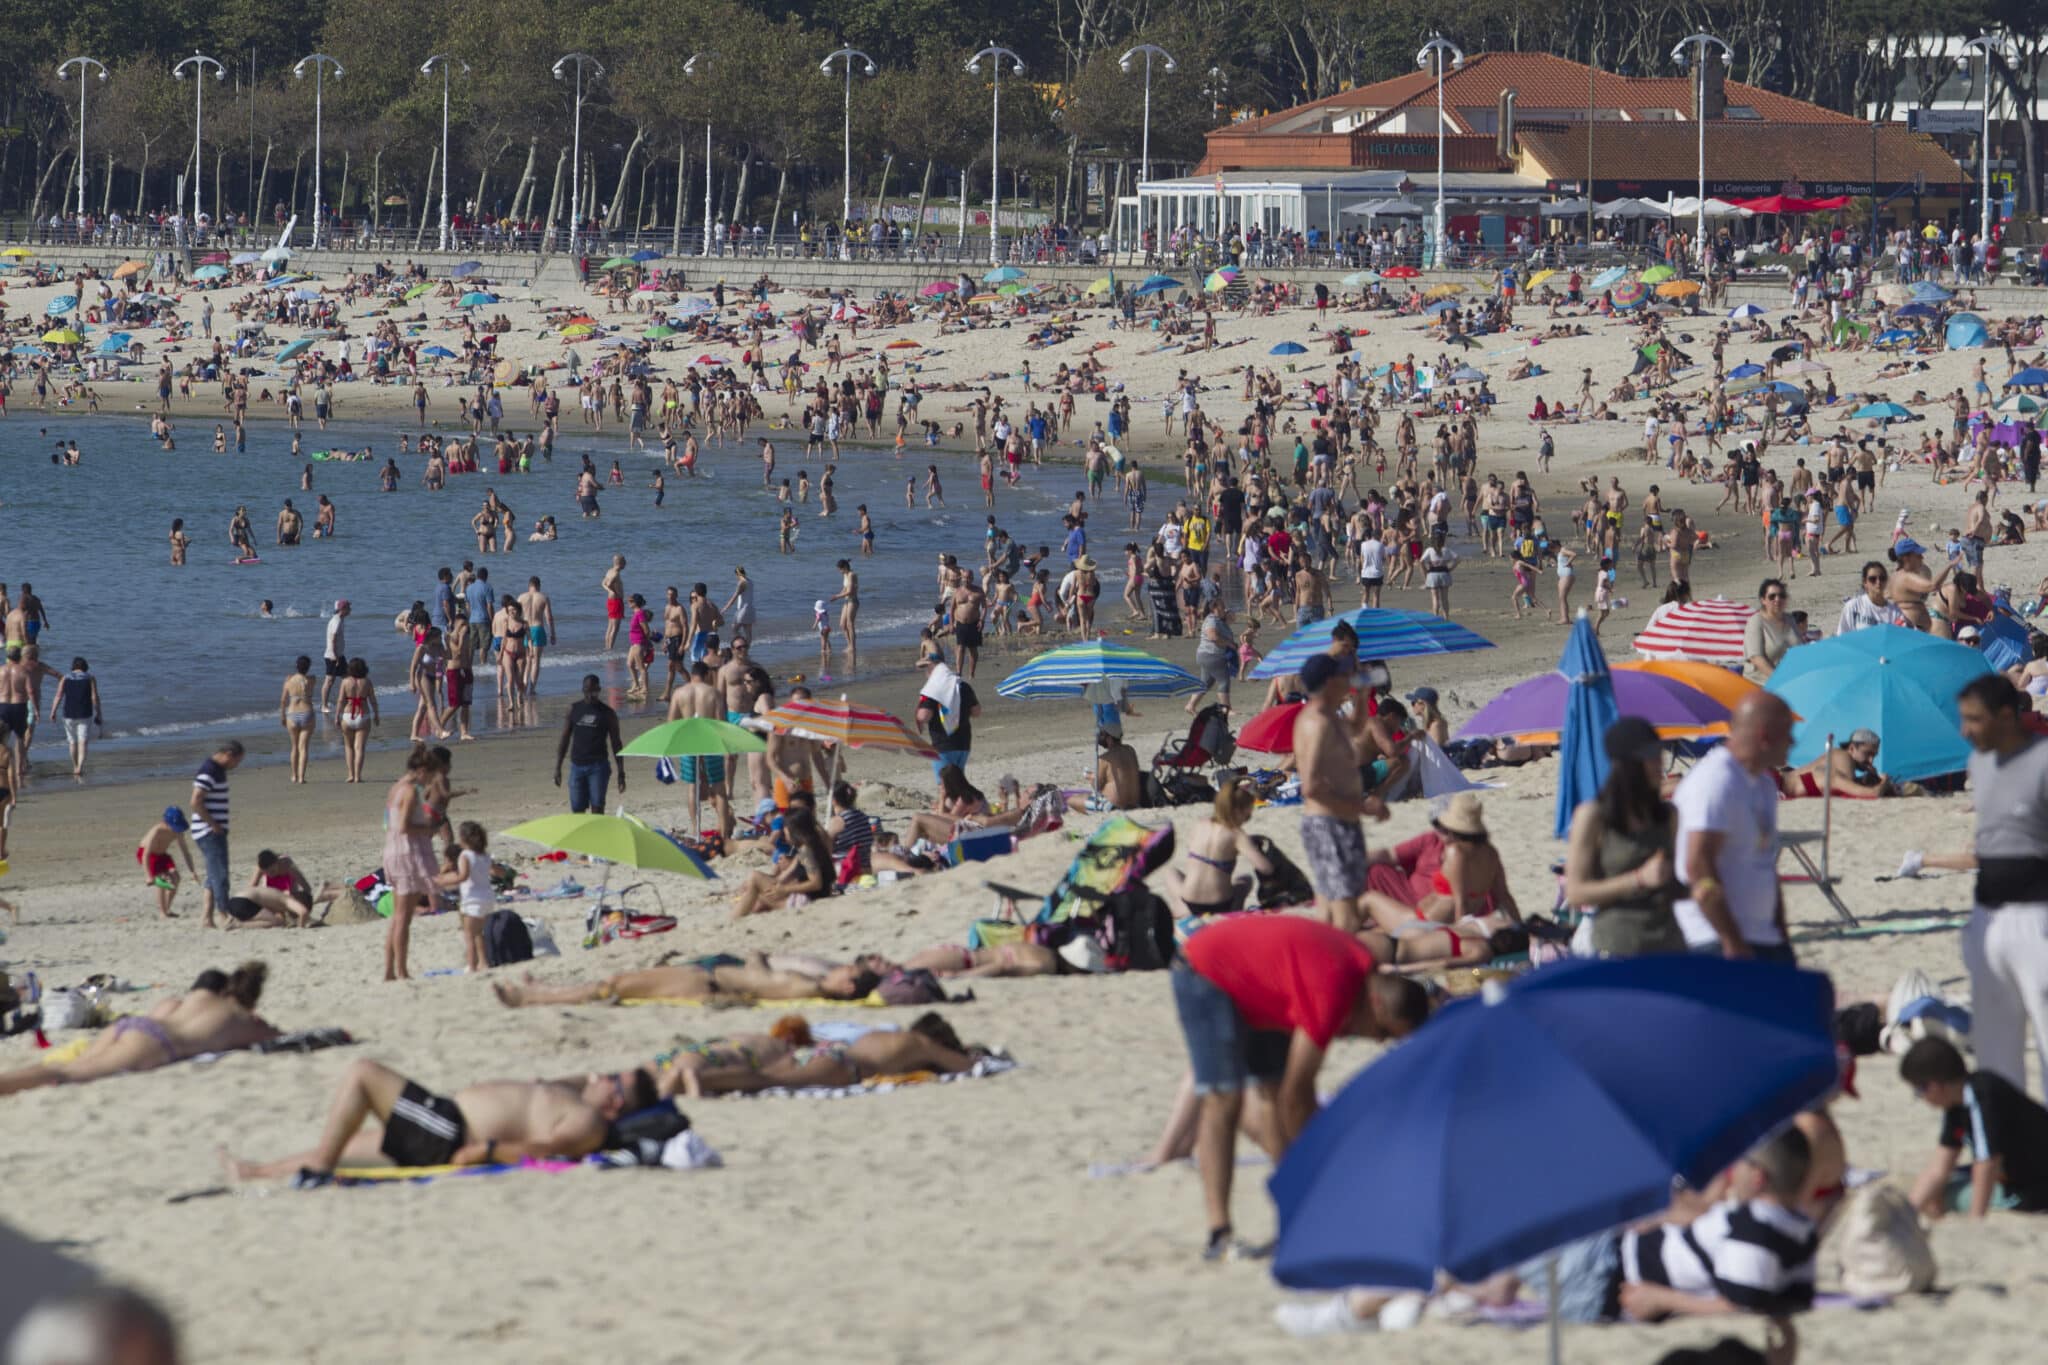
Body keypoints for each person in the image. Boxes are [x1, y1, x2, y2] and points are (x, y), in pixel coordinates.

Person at [1171, 914, 1429, 1259]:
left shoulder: (1357, 968)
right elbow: (1299, 1095)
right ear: (1377, 1005)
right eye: (1383, 1032)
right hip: (1204, 970)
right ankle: (1220, 1233)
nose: (1376, 1040)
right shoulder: (1333, 993)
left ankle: (1299, 1213)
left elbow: (1292, 1098)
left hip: (1261, 984)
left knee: (1271, 1092)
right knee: (1223, 1098)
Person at [1898, 676, 2048, 1096]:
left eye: (1974, 720)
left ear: (2005, 716)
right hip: (1986, 919)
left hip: (2037, 917)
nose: (1964, 730)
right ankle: (2004, 1150)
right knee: (1995, 1054)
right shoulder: (1979, 763)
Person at [222, 1057, 656, 1186]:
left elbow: (546, 1152)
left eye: (612, 1079)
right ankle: (259, 1172)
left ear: (616, 1102)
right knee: (348, 1147)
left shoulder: (589, 1122)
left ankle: (313, 1172)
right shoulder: (580, 1097)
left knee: (362, 1073)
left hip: (451, 1134)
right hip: (443, 1123)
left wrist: (485, 1152)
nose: (602, 1076)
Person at [0, 965, 276, 1097]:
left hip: (134, 1026)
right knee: (64, 1074)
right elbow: (277, 1036)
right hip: (155, 1042)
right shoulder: (243, 1020)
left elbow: (158, 1014)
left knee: (69, 1067)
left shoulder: (183, 1002)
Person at [1672, 694, 1794, 961]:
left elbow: (1765, 865)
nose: (1793, 742)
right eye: (1787, 733)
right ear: (1764, 736)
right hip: (1714, 938)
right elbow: (1698, 864)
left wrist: (1781, 933)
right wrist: (1731, 941)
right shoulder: (1716, 781)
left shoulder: (1762, 783)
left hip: (1763, 935)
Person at [1564, 717, 1686, 955]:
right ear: (1626, 765)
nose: (1658, 763)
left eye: (1658, 754)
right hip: (1618, 947)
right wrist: (1638, 879)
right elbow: (1576, 893)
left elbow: (1670, 884)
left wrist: (1704, 885)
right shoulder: (1593, 817)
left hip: (1670, 944)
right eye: (1649, 757)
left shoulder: (1667, 814)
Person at [1902, 1035, 2048, 1217]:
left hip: (2034, 1186)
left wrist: (1975, 1222)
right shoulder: (1957, 1103)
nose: (1921, 1098)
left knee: (1949, 1196)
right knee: (1936, 1189)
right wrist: (1907, 1213)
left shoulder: (1982, 1095)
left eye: (1919, 1090)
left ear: (1934, 1086)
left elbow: (1987, 1163)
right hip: (2015, 1174)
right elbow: (1939, 1167)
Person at [1292, 654, 1384, 933]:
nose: (1349, 680)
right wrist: (1362, 806)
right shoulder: (1317, 723)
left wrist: (1363, 692)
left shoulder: (1330, 717)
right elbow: (1311, 785)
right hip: (1328, 823)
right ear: (1331, 681)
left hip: (1339, 822)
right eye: (1344, 676)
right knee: (1345, 913)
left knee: (1335, 909)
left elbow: (1356, 727)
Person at [493, 952, 881, 1007]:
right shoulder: (813, 986)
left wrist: (756, 957)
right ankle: (539, 991)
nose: (841, 968)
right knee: (615, 982)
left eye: (848, 971)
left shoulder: (806, 988)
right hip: (707, 979)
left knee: (613, 985)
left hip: (704, 982)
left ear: (848, 986)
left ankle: (531, 998)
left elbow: (762, 982)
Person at [382, 745, 447, 982]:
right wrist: (428, 827)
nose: (430, 781)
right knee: (403, 918)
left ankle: (390, 971)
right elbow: (404, 826)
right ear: (421, 770)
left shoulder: (396, 787)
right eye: (429, 776)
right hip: (407, 852)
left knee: (398, 917)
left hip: (395, 850)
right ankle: (401, 970)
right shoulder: (409, 791)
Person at [1171, 774, 1275, 915]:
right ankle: (1234, 909)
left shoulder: (1200, 825)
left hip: (1191, 902)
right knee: (1245, 880)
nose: (1247, 820)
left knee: (1171, 873)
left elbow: (1211, 850)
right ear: (1238, 811)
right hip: (1219, 905)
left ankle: (1182, 908)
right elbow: (1265, 868)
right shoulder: (1236, 835)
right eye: (1247, 815)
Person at [730, 806, 835, 919]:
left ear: (794, 830)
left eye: (785, 828)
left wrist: (785, 889)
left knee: (755, 879)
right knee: (757, 897)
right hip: (809, 897)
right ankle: (738, 918)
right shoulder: (810, 845)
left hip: (806, 901)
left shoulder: (806, 851)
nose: (784, 832)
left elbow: (816, 883)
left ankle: (732, 921)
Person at [189, 740, 243, 928]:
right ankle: (224, 914)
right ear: (228, 754)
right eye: (237, 761)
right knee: (220, 875)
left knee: (213, 875)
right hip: (208, 832)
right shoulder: (209, 770)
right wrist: (213, 824)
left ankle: (206, 917)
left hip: (210, 830)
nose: (235, 766)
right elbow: (195, 801)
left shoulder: (216, 770)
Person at [555, 674, 625, 813]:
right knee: (577, 809)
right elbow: (565, 739)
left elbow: (616, 743)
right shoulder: (573, 709)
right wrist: (558, 767)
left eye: (593, 691)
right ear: (583, 690)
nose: (590, 695)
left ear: (599, 690)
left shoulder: (607, 713)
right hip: (577, 766)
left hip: (598, 767)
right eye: (587, 690)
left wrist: (621, 772)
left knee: (597, 808)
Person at [441, 821, 494, 973]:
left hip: (473, 900)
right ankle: (483, 963)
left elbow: (462, 876)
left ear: (464, 838)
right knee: (479, 934)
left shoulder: (465, 855)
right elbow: (496, 871)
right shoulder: (484, 855)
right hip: (487, 899)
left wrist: (442, 880)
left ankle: (471, 966)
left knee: (469, 935)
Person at [915, 658, 980, 780]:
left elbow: (924, 716)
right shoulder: (963, 686)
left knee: (945, 787)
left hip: (943, 744)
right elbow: (976, 712)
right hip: (963, 742)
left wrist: (918, 712)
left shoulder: (932, 690)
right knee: (958, 783)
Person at [137, 806, 197, 918]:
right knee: (162, 880)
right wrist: (148, 876)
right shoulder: (157, 830)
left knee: (176, 878)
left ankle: (167, 909)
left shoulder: (178, 832)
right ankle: (162, 912)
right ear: (166, 822)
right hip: (148, 855)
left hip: (163, 856)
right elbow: (146, 854)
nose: (176, 829)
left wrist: (192, 870)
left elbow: (185, 851)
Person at [1068, 729, 1143, 813]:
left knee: (1071, 800)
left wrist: (1090, 777)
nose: (1100, 739)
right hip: (1134, 803)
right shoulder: (1130, 750)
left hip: (1113, 806)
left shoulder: (1104, 759)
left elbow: (1097, 786)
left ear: (1109, 738)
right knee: (1085, 796)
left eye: (1102, 736)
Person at [51, 654, 101, 779]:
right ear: (85, 667)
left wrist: (53, 711)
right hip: (85, 713)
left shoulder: (65, 678)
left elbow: (58, 695)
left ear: (73, 666)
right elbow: (94, 697)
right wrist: (99, 712)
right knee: (83, 741)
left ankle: (74, 765)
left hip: (68, 714)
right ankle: (79, 767)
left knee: (72, 742)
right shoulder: (90, 678)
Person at [1743, 579, 1798, 681]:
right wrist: (1779, 680)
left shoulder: (1790, 619)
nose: (1777, 599)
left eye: (1782, 595)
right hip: (1761, 683)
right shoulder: (1756, 621)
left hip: (1789, 679)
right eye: (1772, 596)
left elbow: (1800, 649)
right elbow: (1756, 658)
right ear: (1763, 600)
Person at [279, 655, 317, 783]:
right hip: (307, 712)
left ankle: (294, 775)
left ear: (296, 666)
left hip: (292, 713)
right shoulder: (312, 679)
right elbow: (308, 681)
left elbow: (283, 700)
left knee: (294, 746)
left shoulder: (289, 680)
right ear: (308, 667)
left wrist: (282, 716)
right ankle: (301, 777)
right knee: (303, 747)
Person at [321, 599, 350, 715]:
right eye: (348, 608)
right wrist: (335, 657)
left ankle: (347, 701)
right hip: (333, 656)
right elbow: (332, 640)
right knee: (329, 680)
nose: (350, 610)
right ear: (342, 609)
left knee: (347, 677)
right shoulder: (336, 621)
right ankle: (324, 705)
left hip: (339, 655)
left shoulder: (340, 620)